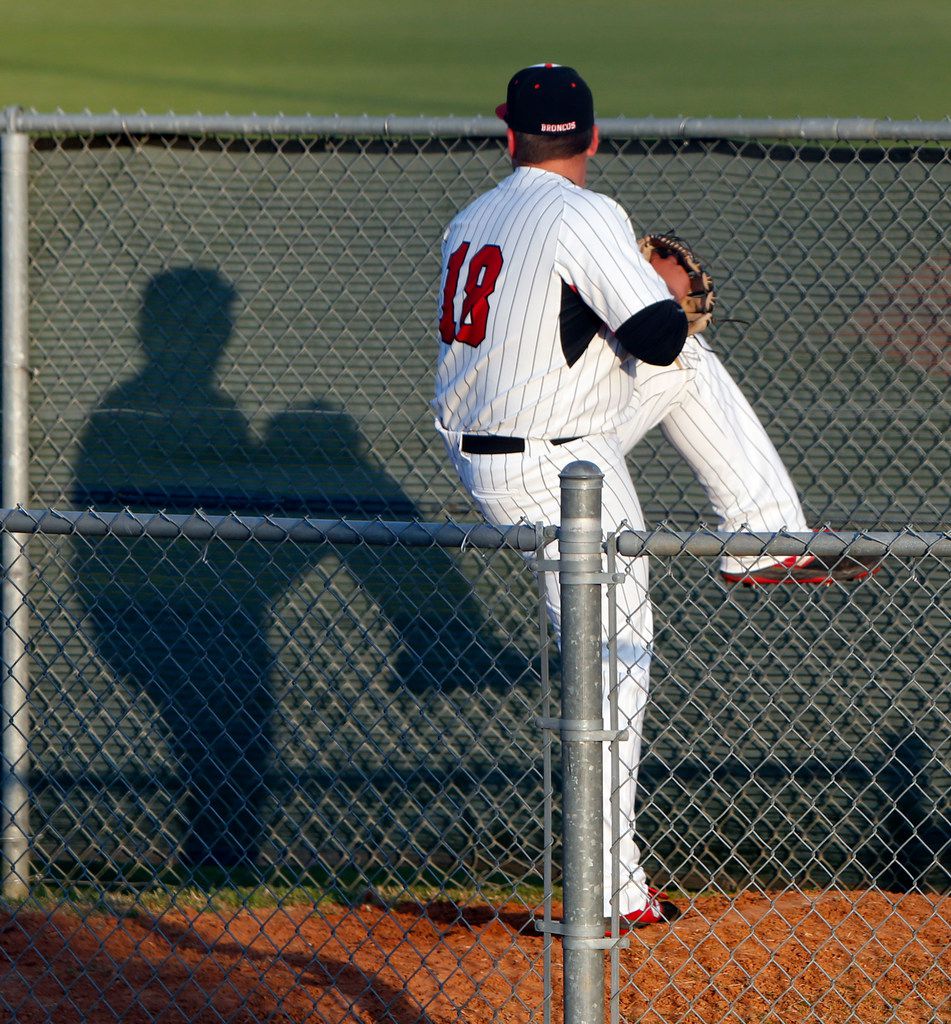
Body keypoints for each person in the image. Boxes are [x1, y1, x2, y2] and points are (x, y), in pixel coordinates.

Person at [432, 63, 878, 931]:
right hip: (560, 473)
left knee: (687, 378)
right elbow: (654, 332)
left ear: (506, 131)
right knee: (614, 664)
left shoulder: (472, 217)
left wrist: (621, 315)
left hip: (515, 445)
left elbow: (565, 337)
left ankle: (763, 534)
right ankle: (602, 892)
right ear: (591, 137)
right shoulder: (585, 213)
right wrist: (657, 299)